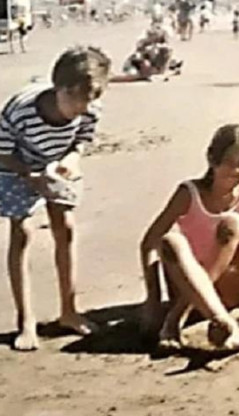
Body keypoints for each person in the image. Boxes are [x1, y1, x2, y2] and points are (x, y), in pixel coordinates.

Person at [0, 46, 111, 351]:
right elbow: (3, 151)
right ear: (59, 88)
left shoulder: (90, 107)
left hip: (58, 160)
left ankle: (69, 311)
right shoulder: (19, 110)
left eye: (89, 100)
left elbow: (83, 138)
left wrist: (73, 158)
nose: (81, 108)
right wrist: (29, 176)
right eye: (75, 99)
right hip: (16, 163)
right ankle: (26, 319)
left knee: (66, 227)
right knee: (22, 232)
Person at [139, 124, 239, 349]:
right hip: (184, 285)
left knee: (233, 223)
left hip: (228, 288)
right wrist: (153, 299)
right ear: (212, 159)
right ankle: (223, 321)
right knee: (171, 241)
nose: (235, 171)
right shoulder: (189, 193)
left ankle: (178, 318)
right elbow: (149, 243)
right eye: (228, 162)